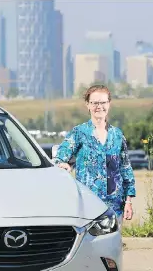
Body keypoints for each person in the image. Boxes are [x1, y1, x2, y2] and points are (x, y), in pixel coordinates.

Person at [54, 85, 136, 223]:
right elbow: (61, 155)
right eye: (95, 103)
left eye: (103, 102)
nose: (99, 106)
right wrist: (63, 164)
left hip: (115, 205)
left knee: (112, 243)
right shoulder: (79, 132)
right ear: (88, 105)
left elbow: (125, 168)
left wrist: (128, 201)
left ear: (109, 104)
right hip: (88, 204)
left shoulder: (117, 135)